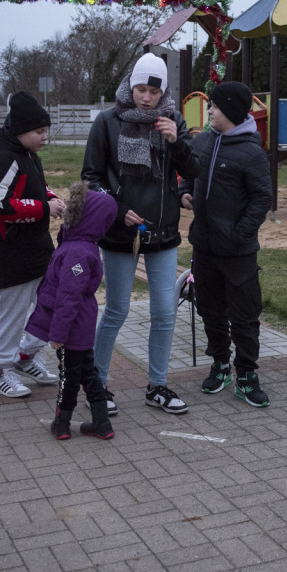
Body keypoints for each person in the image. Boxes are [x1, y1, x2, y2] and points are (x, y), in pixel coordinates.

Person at [82, 53, 200, 415]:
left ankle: (157, 386)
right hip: (119, 231)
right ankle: (97, 385)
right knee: (116, 310)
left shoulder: (173, 121)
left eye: (152, 91)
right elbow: (91, 178)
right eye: (139, 89)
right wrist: (116, 210)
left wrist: (177, 141)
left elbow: (192, 169)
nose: (145, 97)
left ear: (162, 91)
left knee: (165, 312)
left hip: (162, 231)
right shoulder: (107, 122)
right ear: (130, 86)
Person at [179, 81, 272, 407]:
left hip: (238, 251)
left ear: (230, 112)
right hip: (204, 246)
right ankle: (220, 363)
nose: (210, 111)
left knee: (245, 316)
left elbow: (262, 199)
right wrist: (185, 192)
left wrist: (239, 233)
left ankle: (246, 373)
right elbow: (189, 173)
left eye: (215, 107)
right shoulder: (203, 142)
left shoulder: (251, 152)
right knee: (210, 310)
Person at [0, 91, 65, 398]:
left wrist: (52, 198)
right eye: (39, 132)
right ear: (20, 131)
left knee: (52, 303)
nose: (45, 137)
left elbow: (39, 188)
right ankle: (0, 371)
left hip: (39, 248)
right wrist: (45, 208)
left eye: (46, 132)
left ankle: (26, 357)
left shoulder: (30, 156)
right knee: (12, 313)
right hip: (9, 250)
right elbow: (0, 204)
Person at [24, 180, 118, 440]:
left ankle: (62, 423)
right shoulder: (81, 245)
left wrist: (58, 334)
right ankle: (102, 423)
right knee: (89, 374)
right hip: (82, 326)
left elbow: (68, 298)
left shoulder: (76, 252)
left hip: (71, 329)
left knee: (69, 376)